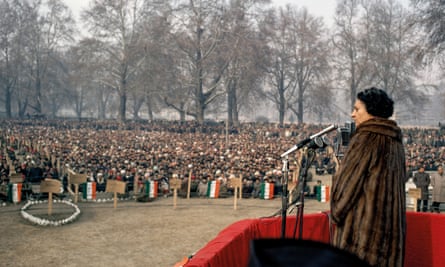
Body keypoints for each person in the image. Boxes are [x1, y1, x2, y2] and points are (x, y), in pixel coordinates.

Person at [330, 87, 407, 267]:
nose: (352, 114)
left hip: (360, 244)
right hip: (390, 244)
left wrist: (336, 211)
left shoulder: (365, 139)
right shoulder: (395, 142)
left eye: (357, 109)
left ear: (372, 112)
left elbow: (344, 192)